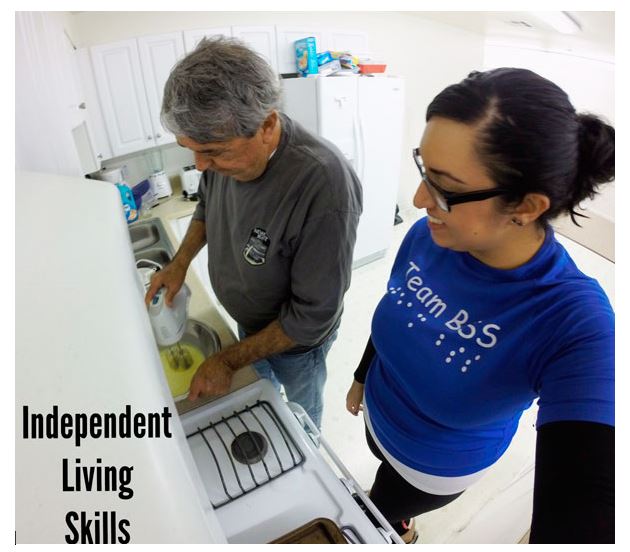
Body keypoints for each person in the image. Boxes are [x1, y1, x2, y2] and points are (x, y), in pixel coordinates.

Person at [345, 68, 614, 544]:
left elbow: (582, 510)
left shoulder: (576, 323)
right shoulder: (428, 236)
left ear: (526, 206)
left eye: (444, 187)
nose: (419, 199)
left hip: (429, 467)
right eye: (423, 170)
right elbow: (398, 308)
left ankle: (397, 525)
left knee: (379, 509)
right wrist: (363, 376)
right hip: (378, 417)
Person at [147, 36, 362, 430]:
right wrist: (179, 263)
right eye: (189, 150)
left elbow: (310, 319)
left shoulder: (324, 186)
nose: (201, 166)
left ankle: (307, 441)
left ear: (266, 125)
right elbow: (207, 205)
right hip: (249, 325)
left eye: (212, 152)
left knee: (299, 414)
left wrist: (228, 359)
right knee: (262, 394)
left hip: (296, 346)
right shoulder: (226, 163)